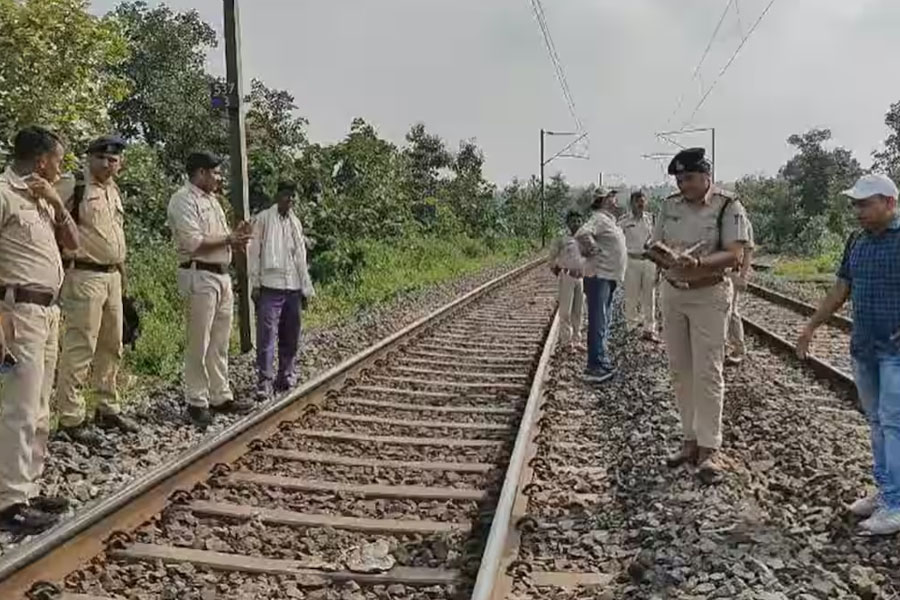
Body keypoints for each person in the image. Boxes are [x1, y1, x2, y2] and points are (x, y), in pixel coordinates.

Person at [797, 173, 900, 535]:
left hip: (896, 352)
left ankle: (896, 505)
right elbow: (841, 289)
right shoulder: (857, 241)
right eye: (855, 204)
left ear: (889, 203)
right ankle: (887, 491)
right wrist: (811, 326)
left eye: (865, 204)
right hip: (865, 348)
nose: (858, 211)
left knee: (893, 423)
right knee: (876, 424)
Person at [0, 126, 79, 533]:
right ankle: (10, 500)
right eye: (59, 160)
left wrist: (57, 204)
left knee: (41, 407)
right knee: (21, 405)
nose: (60, 167)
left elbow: (74, 245)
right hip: (17, 311)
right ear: (41, 159)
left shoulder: (44, 197)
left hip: (48, 312)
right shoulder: (4, 193)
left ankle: (27, 488)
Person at [654, 147, 749, 482]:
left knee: (708, 371)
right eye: (679, 179)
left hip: (709, 294)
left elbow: (735, 255)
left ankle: (710, 448)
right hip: (673, 293)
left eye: (690, 178)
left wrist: (696, 263)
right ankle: (689, 440)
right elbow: (657, 243)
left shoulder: (727, 205)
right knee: (680, 370)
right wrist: (663, 257)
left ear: (706, 175)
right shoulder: (669, 206)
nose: (684, 184)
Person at [55, 136, 138, 445]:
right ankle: (72, 417)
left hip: (112, 276)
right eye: (101, 158)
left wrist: (123, 281)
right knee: (81, 347)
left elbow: (115, 238)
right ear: (89, 158)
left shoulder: (113, 190)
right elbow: (49, 220)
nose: (107, 163)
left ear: (120, 163)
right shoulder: (73, 184)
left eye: (113, 159)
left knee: (112, 344)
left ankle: (107, 406)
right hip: (84, 274)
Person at [167, 152, 253, 428]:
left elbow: (218, 239)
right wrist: (230, 238)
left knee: (219, 341)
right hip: (199, 273)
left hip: (220, 275)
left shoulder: (213, 202)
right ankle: (196, 400)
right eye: (215, 173)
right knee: (199, 341)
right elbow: (193, 242)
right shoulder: (183, 199)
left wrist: (234, 241)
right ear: (201, 173)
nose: (219, 178)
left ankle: (220, 394)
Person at [247, 182, 315, 401]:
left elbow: (301, 258)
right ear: (277, 196)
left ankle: (286, 375)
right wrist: (255, 283)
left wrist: (306, 289)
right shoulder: (264, 219)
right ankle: (264, 381)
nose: (290, 201)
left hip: (293, 287)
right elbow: (254, 252)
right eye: (287, 196)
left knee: (291, 335)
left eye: (293, 197)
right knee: (267, 335)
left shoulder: (295, 223)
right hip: (270, 286)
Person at [575, 187, 627, 383]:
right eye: (612, 196)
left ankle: (601, 361)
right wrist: (594, 250)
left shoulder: (607, 220)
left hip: (607, 276)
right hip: (599, 276)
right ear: (605, 200)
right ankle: (595, 366)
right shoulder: (598, 218)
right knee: (598, 321)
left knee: (603, 321)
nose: (615, 199)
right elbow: (582, 233)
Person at [619, 190, 658, 342]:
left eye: (643, 201)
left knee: (649, 297)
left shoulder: (651, 220)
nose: (641, 204)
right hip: (631, 261)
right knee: (632, 296)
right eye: (638, 202)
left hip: (648, 261)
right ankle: (632, 327)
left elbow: (657, 239)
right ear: (632, 203)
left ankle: (649, 329)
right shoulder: (624, 221)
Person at [548, 209, 585, 349]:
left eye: (578, 221)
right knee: (565, 311)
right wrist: (557, 270)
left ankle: (577, 339)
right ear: (568, 223)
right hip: (567, 276)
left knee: (578, 310)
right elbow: (551, 258)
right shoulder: (562, 239)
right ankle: (566, 341)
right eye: (573, 221)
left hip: (580, 278)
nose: (576, 224)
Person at [725, 218, 755, 366]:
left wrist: (743, 276)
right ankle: (724, 347)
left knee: (731, 311)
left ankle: (739, 348)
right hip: (717, 271)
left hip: (732, 272)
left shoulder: (744, 222)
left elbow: (748, 252)